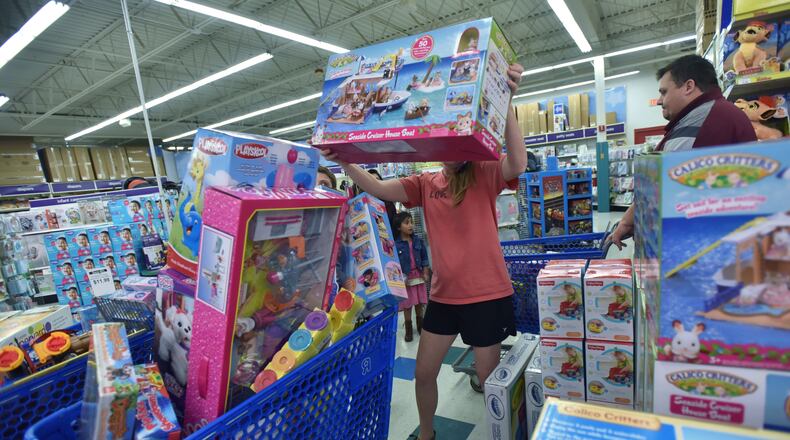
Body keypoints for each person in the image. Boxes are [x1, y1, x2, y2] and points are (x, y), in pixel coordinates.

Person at [322, 63, 526, 440]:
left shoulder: (484, 173)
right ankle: (427, 434)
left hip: (487, 294)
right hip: (444, 297)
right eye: (442, 140)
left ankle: (503, 433)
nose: (449, 149)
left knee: (489, 380)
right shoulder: (425, 182)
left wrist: (508, 100)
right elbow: (380, 189)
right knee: (423, 372)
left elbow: (518, 162)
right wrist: (346, 163)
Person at [609, 55, 757, 250]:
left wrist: (633, 221)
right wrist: (630, 219)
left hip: (701, 246)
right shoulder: (707, 115)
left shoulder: (704, 120)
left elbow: (664, 185)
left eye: (663, 92)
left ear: (688, 86)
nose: (660, 101)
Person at [392, 211, 430, 342]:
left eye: (411, 222)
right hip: (406, 279)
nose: (411, 225)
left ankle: (421, 326)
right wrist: (400, 278)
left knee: (419, 303)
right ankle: (408, 328)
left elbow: (424, 257)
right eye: (407, 223)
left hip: (418, 275)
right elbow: (394, 264)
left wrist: (425, 272)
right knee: (407, 305)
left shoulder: (418, 241)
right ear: (398, 227)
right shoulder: (396, 245)